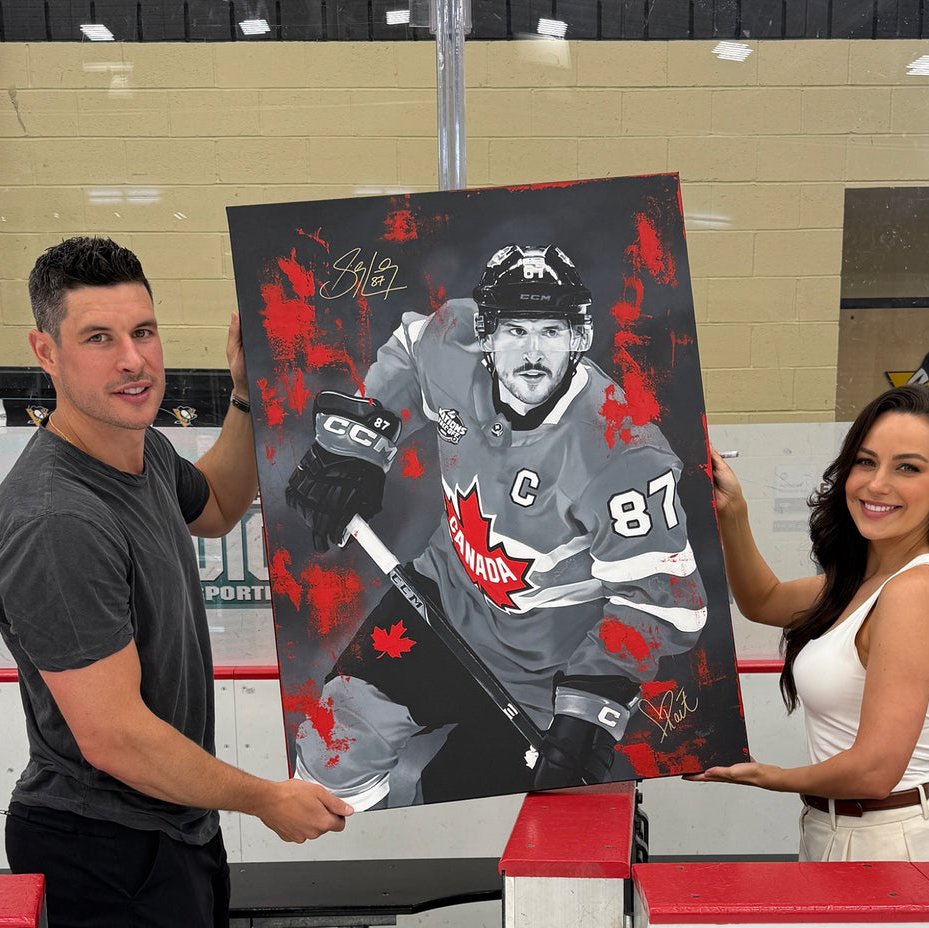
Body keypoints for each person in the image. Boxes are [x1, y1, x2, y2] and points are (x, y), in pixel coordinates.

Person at [0, 237, 353, 928]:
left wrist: (249, 396)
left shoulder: (136, 449)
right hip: (103, 841)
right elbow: (114, 737)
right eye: (98, 338)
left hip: (175, 822)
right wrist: (264, 799)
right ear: (45, 351)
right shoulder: (58, 519)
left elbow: (216, 502)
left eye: (142, 331)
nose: (132, 360)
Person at [285, 243, 708, 808]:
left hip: (544, 671)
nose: (532, 352)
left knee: (464, 809)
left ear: (580, 337)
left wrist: (589, 708)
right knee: (331, 748)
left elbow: (664, 604)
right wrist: (361, 447)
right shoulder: (450, 343)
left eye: (550, 332)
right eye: (514, 331)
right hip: (441, 601)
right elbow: (409, 356)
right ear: (484, 334)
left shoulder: (621, 451)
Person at [687, 384, 929, 861]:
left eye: (907, 468)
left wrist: (767, 776)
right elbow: (764, 600)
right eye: (865, 461)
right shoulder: (870, 581)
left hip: (883, 847)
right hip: (846, 834)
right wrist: (733, 510)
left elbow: (875, 772)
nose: (876, 484)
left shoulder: (914, 590)